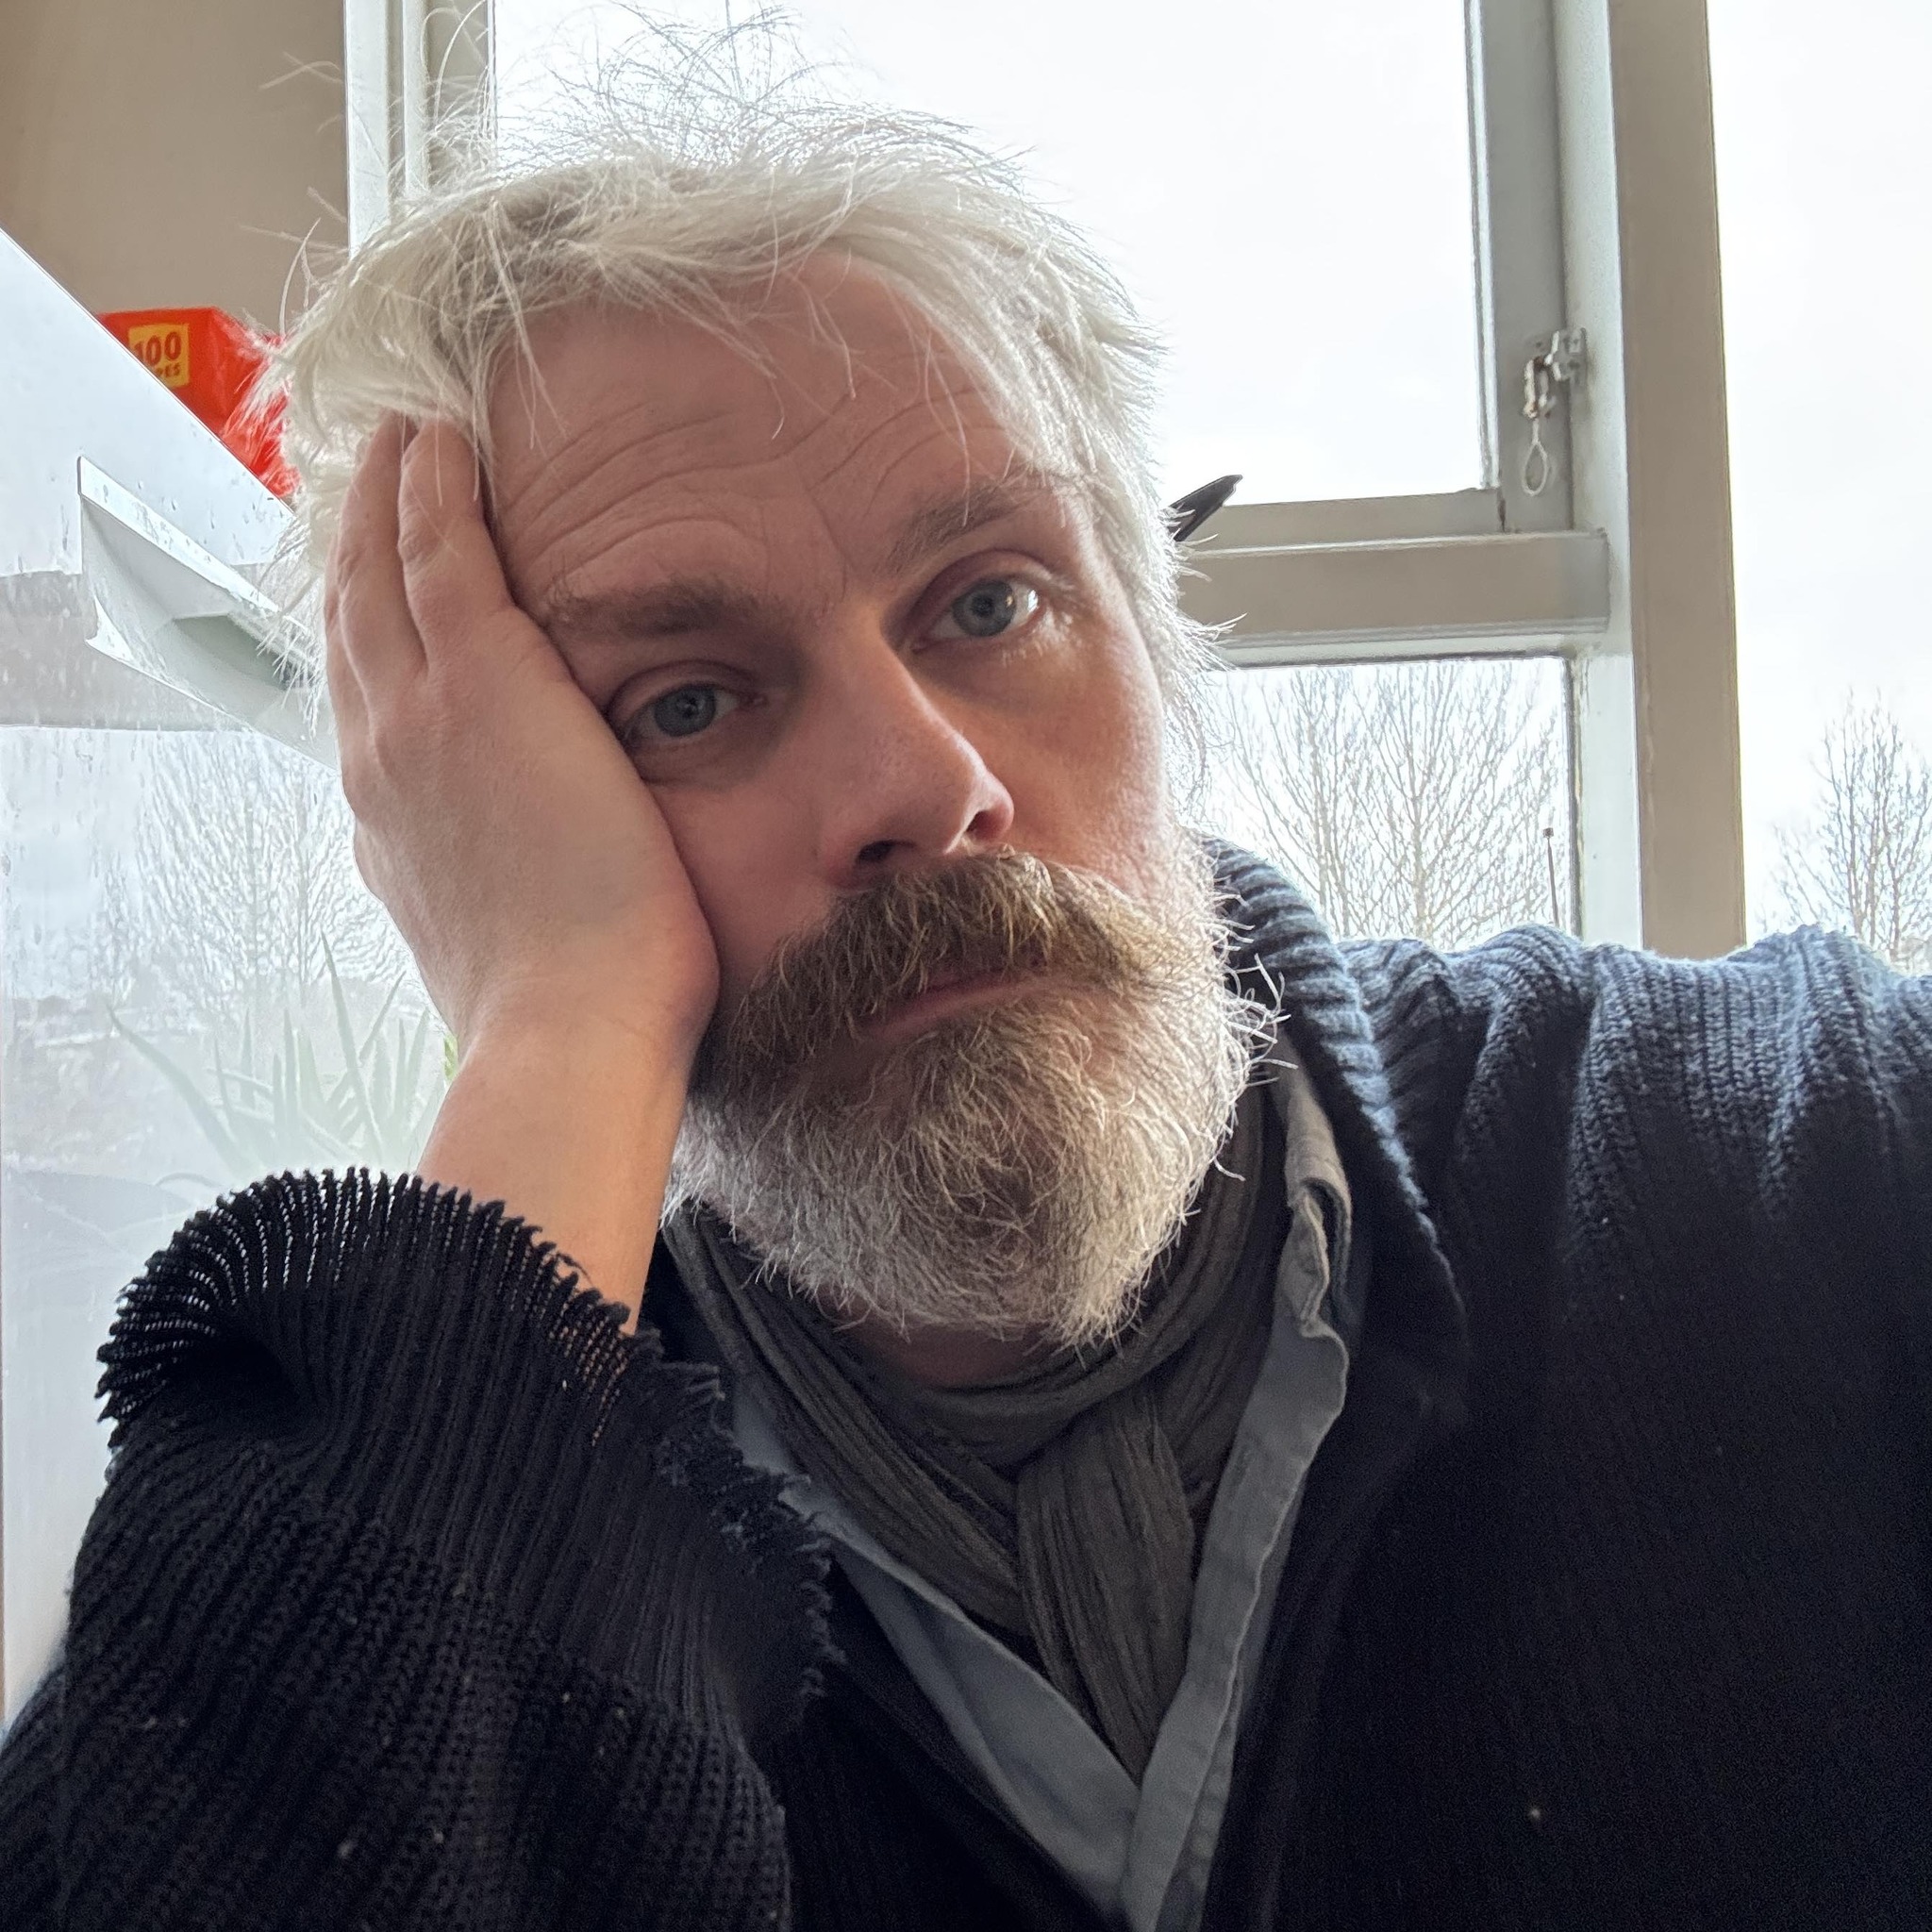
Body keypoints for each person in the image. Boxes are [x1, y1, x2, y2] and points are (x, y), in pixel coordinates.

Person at [3, 55, 1930, 1932]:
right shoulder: (399, 1494)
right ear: (488, 823)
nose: (926, 784)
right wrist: (562, 1027)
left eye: (991, 602)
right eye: (686, 702)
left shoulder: (1816, 1163)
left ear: (1160, 642)